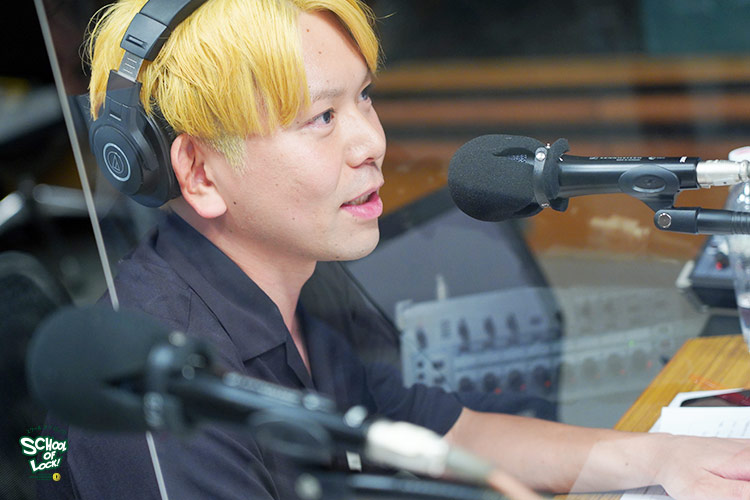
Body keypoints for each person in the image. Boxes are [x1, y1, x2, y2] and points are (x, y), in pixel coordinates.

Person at [40, 0, 750, 499]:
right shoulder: (158, 395)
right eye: (322, 117)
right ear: (198, 172)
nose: (371, 143)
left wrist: (665, 457)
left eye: (365, 98)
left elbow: (446, 436)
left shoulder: (301, 278)